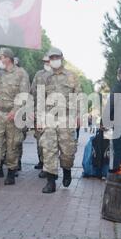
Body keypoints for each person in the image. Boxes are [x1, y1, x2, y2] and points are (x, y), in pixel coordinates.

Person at [0, 47, 30, 187]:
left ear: (7, 58)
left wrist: (15, 111)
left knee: (12, 145)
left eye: (0, 57)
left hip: (13, 114)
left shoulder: (21, 74)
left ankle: (11, 172)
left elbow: (24, 96)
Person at [40, 47, 81, 193]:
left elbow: (78, 96)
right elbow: (40, 98)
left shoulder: (72, 76)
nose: (53, 60)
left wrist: (78, 116)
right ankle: (50, 181)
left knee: (67, 151)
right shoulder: (45, 78)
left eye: (56, 57)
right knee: (49, 149)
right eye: (51, 58)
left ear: (61, 58)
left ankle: (67, 170)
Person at [30, 55, 52, 171]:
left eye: (48, 61)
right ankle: (42, 160)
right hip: (39, 112)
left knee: (50, 140)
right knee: (39, 138)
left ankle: (47, 165)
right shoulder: (38, 74)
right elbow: (32, 91)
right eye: (45, 61)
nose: (46, 63)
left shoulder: (59, 75)